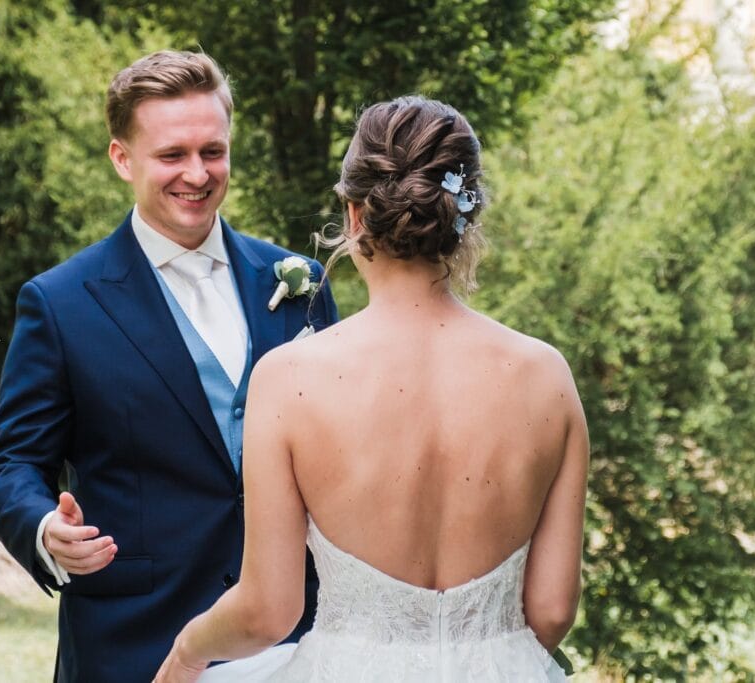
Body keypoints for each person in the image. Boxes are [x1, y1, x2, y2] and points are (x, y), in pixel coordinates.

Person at [155, 95, 589, 682]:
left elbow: (269, 611)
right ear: (466, 217)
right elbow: (552, 610)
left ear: (356, 216)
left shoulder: (289, 380)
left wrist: (188, 651)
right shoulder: (547, 377)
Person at [0, 50, 338, 682]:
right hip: (134, 642)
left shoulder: (300, 283)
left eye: (213, 152)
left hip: (298, 639)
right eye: (172, 155)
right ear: (123, 158)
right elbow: (11, 465)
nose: (196, 174)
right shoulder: (61, 303)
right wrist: (42, 528)